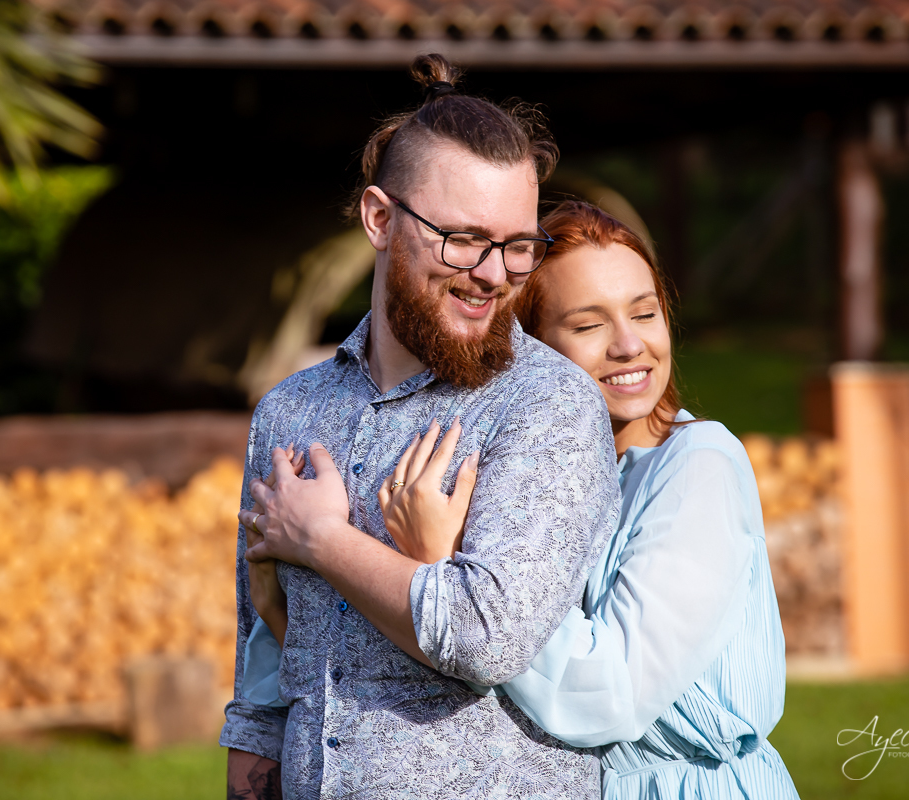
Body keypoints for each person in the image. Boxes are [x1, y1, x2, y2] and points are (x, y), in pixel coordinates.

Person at [245, 200, 800, 798]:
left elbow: (608, 694)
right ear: (531, 351)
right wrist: (285, 614)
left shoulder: (698, 465)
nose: (628, 345)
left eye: (645, 314)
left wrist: (445, 568)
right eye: (588, 326)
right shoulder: (528, 471)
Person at [220, 57, 621, 800]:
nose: (495, 274)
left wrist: (324, 542)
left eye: (518, 245)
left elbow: (488, 635)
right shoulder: (289, 409)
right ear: (379, 218)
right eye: (464, 238)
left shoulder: (547, 407)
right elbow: (265, 632)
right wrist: (251, 748)